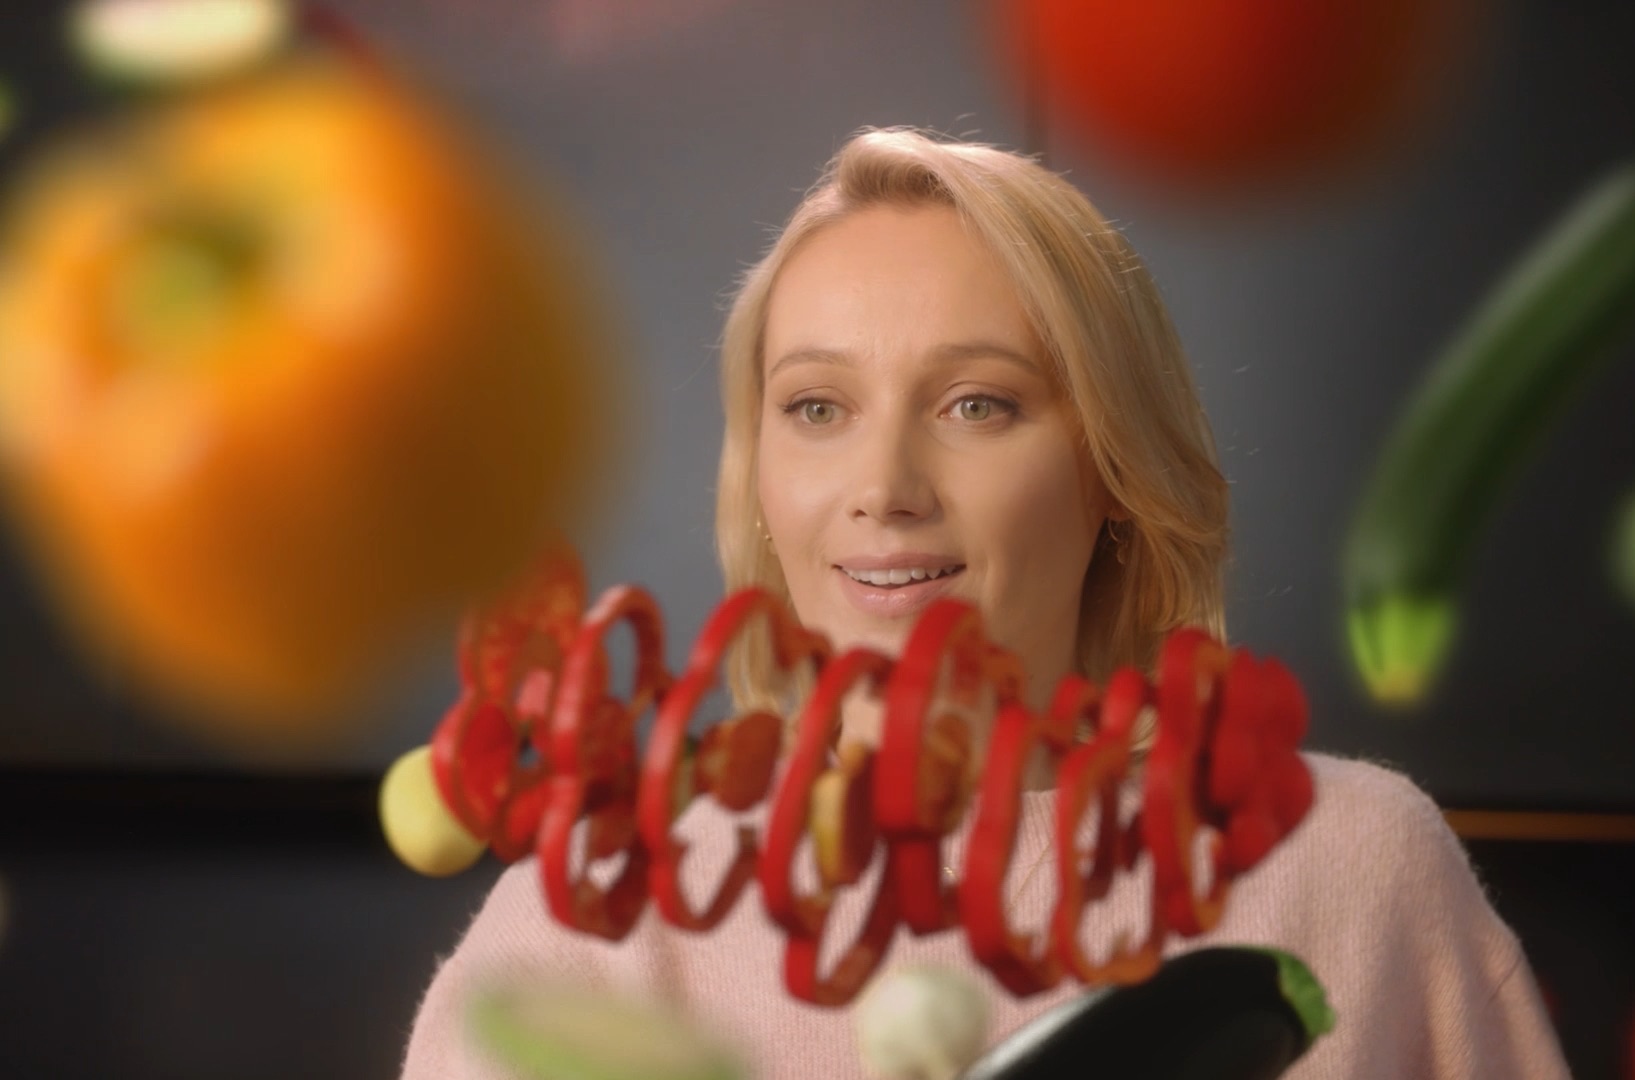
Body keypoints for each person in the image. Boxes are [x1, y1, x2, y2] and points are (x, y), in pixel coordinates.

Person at [399, 128, 1571, 1079]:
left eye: (977, 405)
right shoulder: (586, 934)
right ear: (760, 479)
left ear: (1112, 470)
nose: (885, 489)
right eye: (817, 408)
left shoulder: (1352, 873)